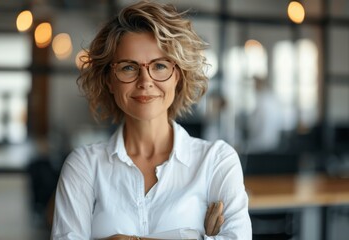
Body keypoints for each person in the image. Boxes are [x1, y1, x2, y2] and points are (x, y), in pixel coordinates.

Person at [51, 1, 251, 239]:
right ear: (109, 80)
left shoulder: (217, 161)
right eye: (128, 67)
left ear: (177, 75)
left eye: (159, 65)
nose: (145, 81)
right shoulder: (84, 166)